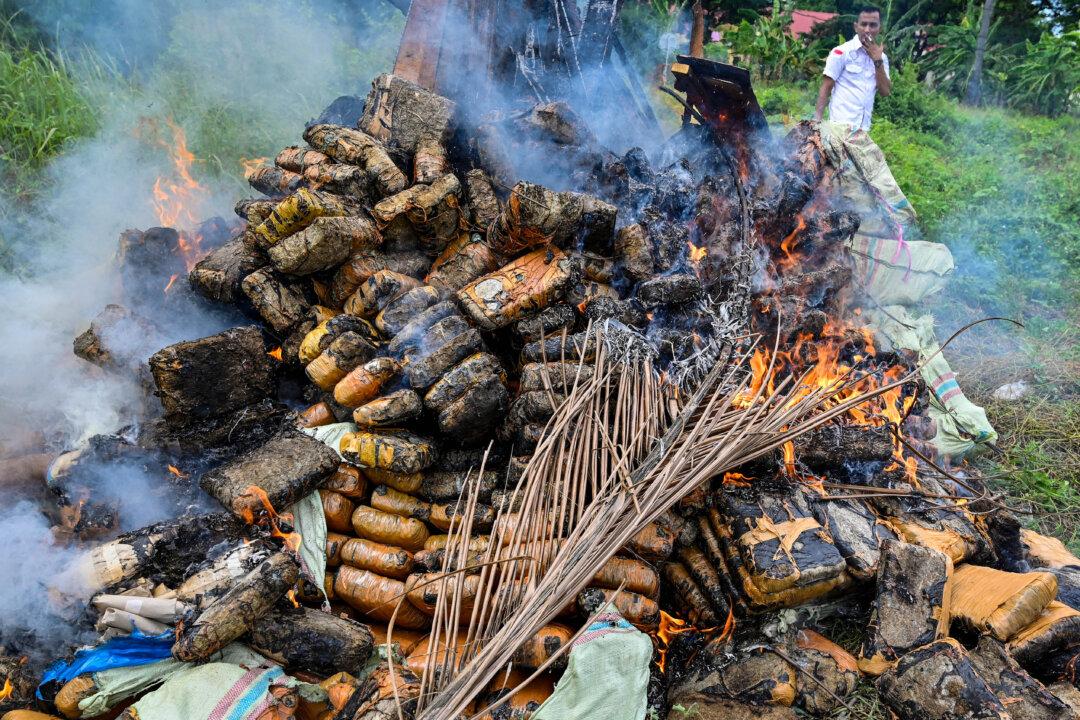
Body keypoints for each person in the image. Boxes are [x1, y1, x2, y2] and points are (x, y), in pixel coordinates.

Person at [814, 5, 892, 131]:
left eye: (873, 25)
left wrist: (877, 61)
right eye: (864, 24)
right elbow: (826, 88)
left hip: (863, 130)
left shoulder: (882, 58)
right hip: (839, 128)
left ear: (879, 28)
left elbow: (885, 92)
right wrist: (816, 122)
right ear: (856, 27)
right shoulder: (841, 52)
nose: (867, 29)